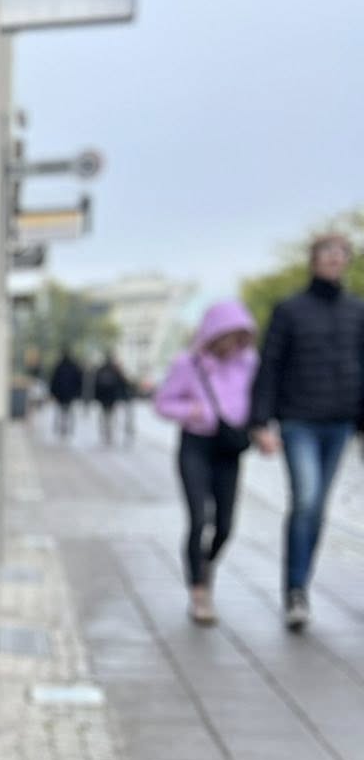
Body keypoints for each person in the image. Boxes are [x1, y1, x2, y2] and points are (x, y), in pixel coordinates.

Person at [251, 233, 364, 630]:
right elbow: (270, 365)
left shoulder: (357, 311)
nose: (334, 260)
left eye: (340, 254)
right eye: (327, 254)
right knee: (306, 499)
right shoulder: (289, 310)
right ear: (313, 260)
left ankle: (301, 584)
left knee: (318, 508)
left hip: (340, 422)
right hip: (299, 420)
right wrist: (260, 422)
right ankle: (295, 590)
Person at [154, 301, 259, 625]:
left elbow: (258, 401)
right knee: (199, 518)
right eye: (226, 335)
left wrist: (260, 428)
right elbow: (162, 403)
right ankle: (198, 590)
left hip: (229, 448)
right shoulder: (188, 364)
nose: (231, 342)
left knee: (225, 526)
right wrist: (192, 411)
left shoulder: (249, 363)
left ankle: (205, 563)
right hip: (196, 445)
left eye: (238, 335)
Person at [92, 353, 133, 444]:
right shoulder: (115, 370)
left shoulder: (101, 370)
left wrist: (96, 397)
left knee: (104, 415)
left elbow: (95, 385)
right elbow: (122, 383)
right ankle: (109, 433)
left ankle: (105, 431)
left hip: (103, 398)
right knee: (111, 416)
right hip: (112, 398)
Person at [49, 349, 84, 438]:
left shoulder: (59, 366)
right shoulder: (74, 366)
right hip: (70, 393)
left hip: (61, 393)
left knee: (61, 411)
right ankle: (68, 428)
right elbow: (79, 380)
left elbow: (53, 381)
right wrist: (78, 392)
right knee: (69, 411)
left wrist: (53, 392)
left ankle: (62, 428)